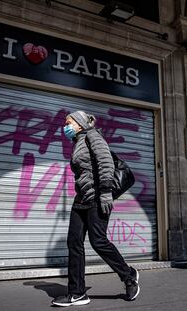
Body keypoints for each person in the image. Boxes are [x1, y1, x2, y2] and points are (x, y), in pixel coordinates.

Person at [52, 110, 140, 307]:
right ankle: (77, 293)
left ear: (80, 123)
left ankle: (129, 276)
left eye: (68, 122)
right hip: (81, 198)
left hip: (98, 197)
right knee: (74, 242)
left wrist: (107, 192)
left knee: (98, 241)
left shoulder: (92, 135)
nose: (65, 126)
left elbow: (106, 162)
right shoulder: (78, 142)